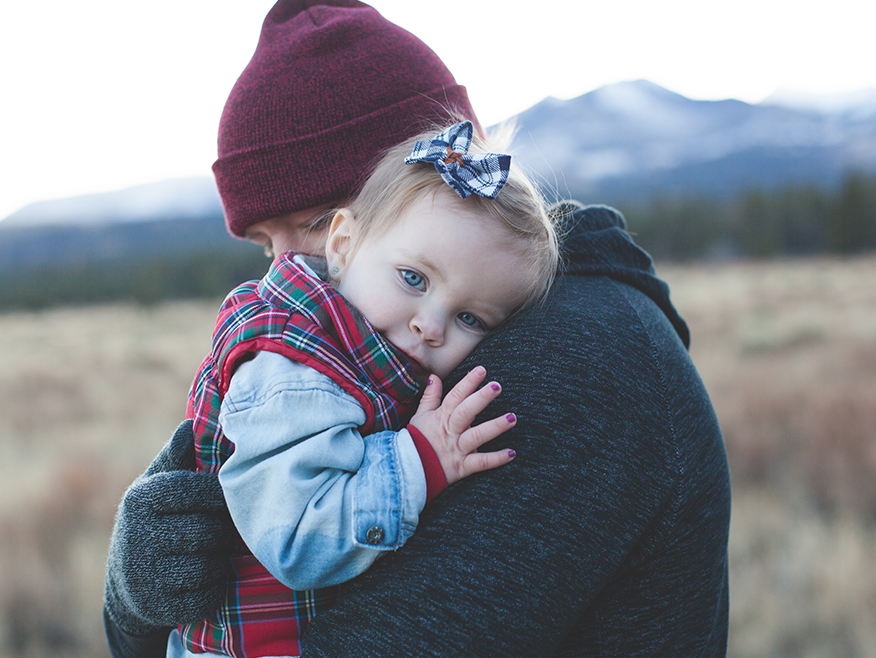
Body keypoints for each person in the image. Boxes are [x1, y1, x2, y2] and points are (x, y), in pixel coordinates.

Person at [104, 2, 731, 657]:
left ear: (440, 177)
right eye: (267, 245)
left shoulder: (575, 360)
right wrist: (136, 596)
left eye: (318, 222)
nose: (287, 272)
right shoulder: (366, 351)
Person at [169, 120, 559, 658]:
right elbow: (298, 538)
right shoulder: (291, 366)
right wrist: (419, 458)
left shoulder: (368, 351)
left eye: (470, 317)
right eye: (414, 279)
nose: (432, 326)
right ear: (344, 244)